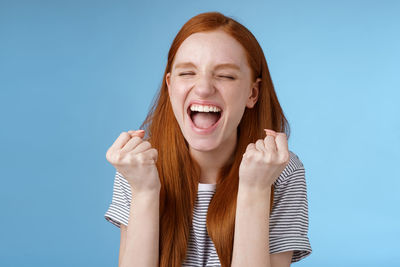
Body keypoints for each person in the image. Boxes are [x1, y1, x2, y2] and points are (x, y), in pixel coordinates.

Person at [104, 11, 312, 267]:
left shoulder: (282, 171)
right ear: (170, 87)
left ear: (252, 93)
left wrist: (255, 189)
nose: (203, 88)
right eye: (187, 73)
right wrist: (145, 190)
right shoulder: (137, 167)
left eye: (225, 76)